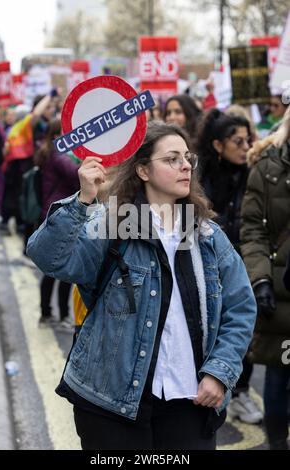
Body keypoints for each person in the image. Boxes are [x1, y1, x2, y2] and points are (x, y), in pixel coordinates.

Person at [27, 121, 256, 450]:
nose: (185, 165)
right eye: (172, 159)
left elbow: (241, 306)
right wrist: (82, 200)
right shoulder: (112, 223)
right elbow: (47, 257)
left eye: (187, 157)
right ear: (143, 171)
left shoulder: (207, 235)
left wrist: (220, 371)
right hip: (111, 403)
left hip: (189, 400)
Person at [197, 108, 263, 424]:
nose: (245, 146)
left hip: (245, 261)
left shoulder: (255, 172)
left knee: (243, 327)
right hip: (207, 266)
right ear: (218, 145)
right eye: (237, 141)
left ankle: (239, 393)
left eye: (248, 140)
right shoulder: (198, 180)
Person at [240, 106, 290, 449]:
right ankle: (277, 443)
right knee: (279, 373)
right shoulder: (266, 167)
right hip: (281, 290)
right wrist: (260, 280)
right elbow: (253, 231)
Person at [34, 119, 80, 331]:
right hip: (61, 216)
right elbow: (76, 176)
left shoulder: (52, 152)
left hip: (56, 214)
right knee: (62, 269)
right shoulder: (59, 155)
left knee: (54, 269)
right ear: (56, 136)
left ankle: (48, 314)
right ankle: (59, 315)